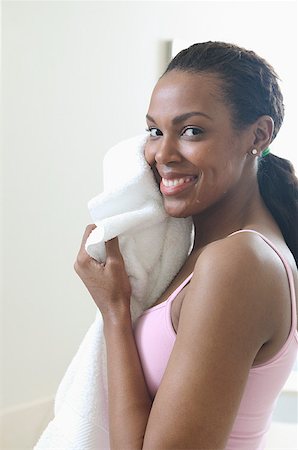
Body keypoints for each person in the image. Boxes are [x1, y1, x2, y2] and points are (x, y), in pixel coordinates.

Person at [74, 42, 298, 449]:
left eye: (192, 130)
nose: (163, 153)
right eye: (155, 131)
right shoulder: (209, 250)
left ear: (259, 134)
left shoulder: (239, 261)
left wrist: (115, 312)